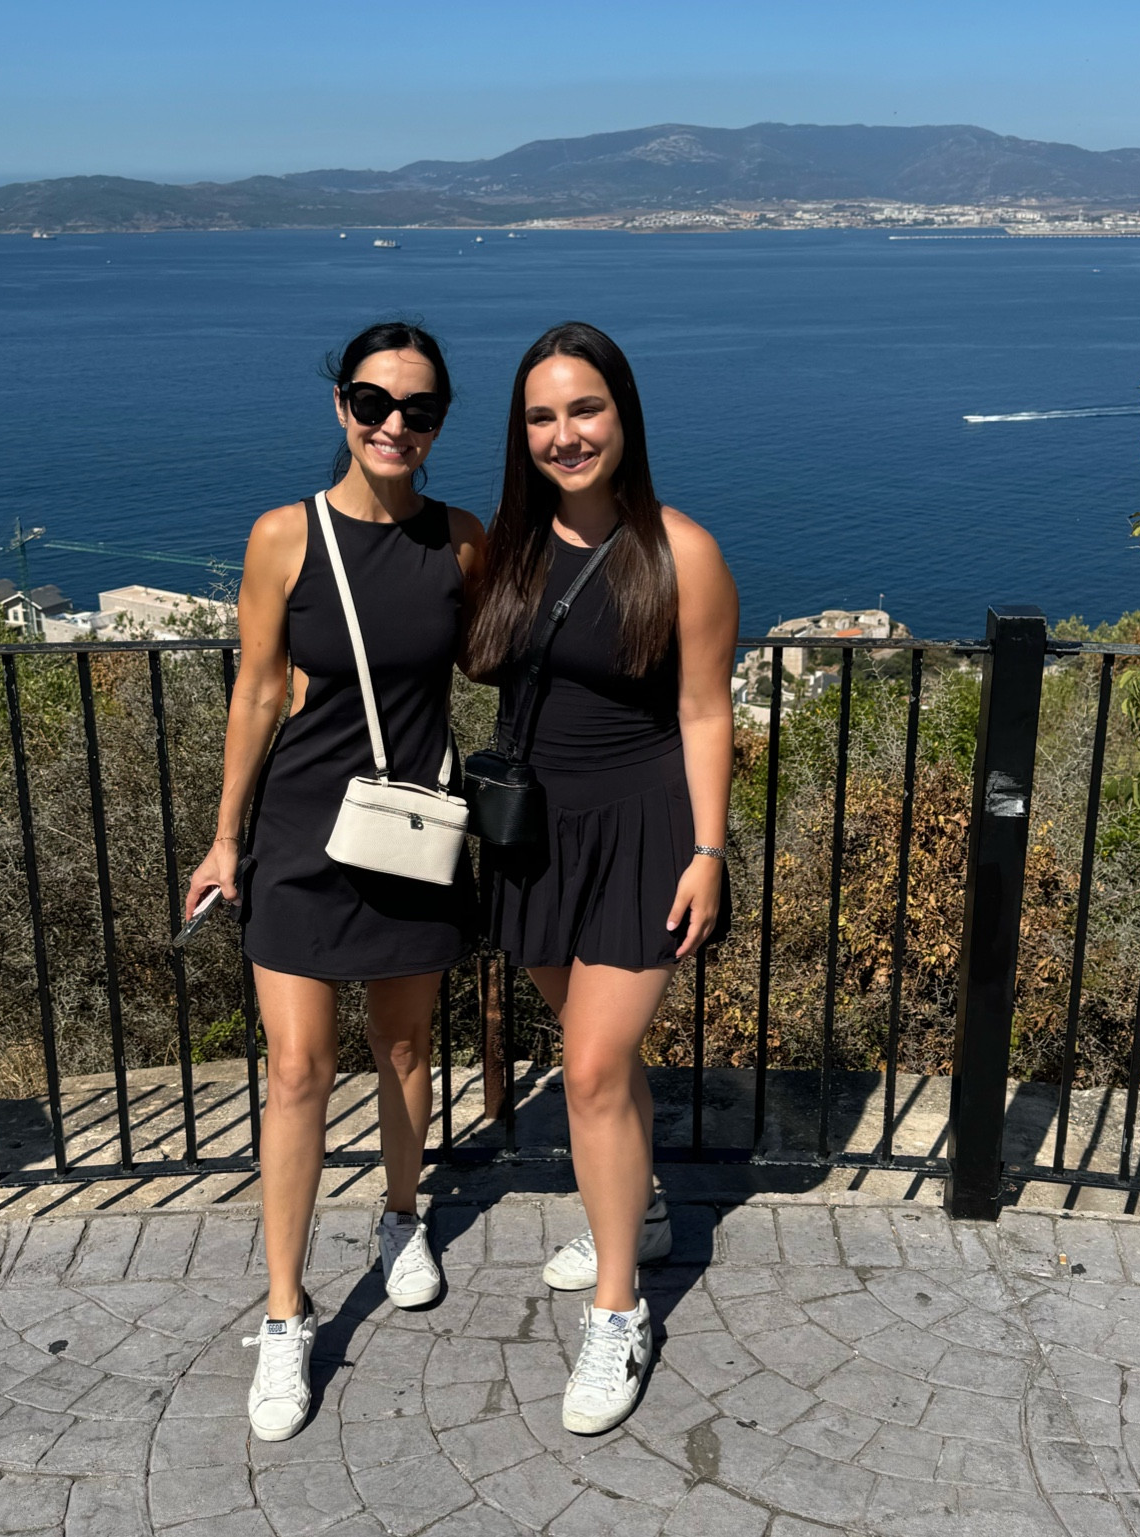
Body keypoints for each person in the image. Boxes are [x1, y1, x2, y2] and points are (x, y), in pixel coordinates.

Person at [185, 321, 483, 1442]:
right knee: (298, 1071)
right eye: (372, 401)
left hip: (410, 834)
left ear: (439, 422)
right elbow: (258, 691)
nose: (393, 424)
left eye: (416, 408)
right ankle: (282, 1315)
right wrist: (225, 840)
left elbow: (510, 654)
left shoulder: (463, 542)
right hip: (304, 836)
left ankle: (401, 1217)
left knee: (406, 1049)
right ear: (340, 410)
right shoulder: (284, 535)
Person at [467, 321, 737, 1434]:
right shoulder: (507, 552)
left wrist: (710, 853)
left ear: (623, 416)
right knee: (587, 1057)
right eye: (541, 415)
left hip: (639, 829)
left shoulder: (681, 552)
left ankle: (619, 1311)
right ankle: (645, 1206)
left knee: (588, 1067)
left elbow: (705, 710)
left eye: (584, 410)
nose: (564, 433)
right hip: (531, 830)